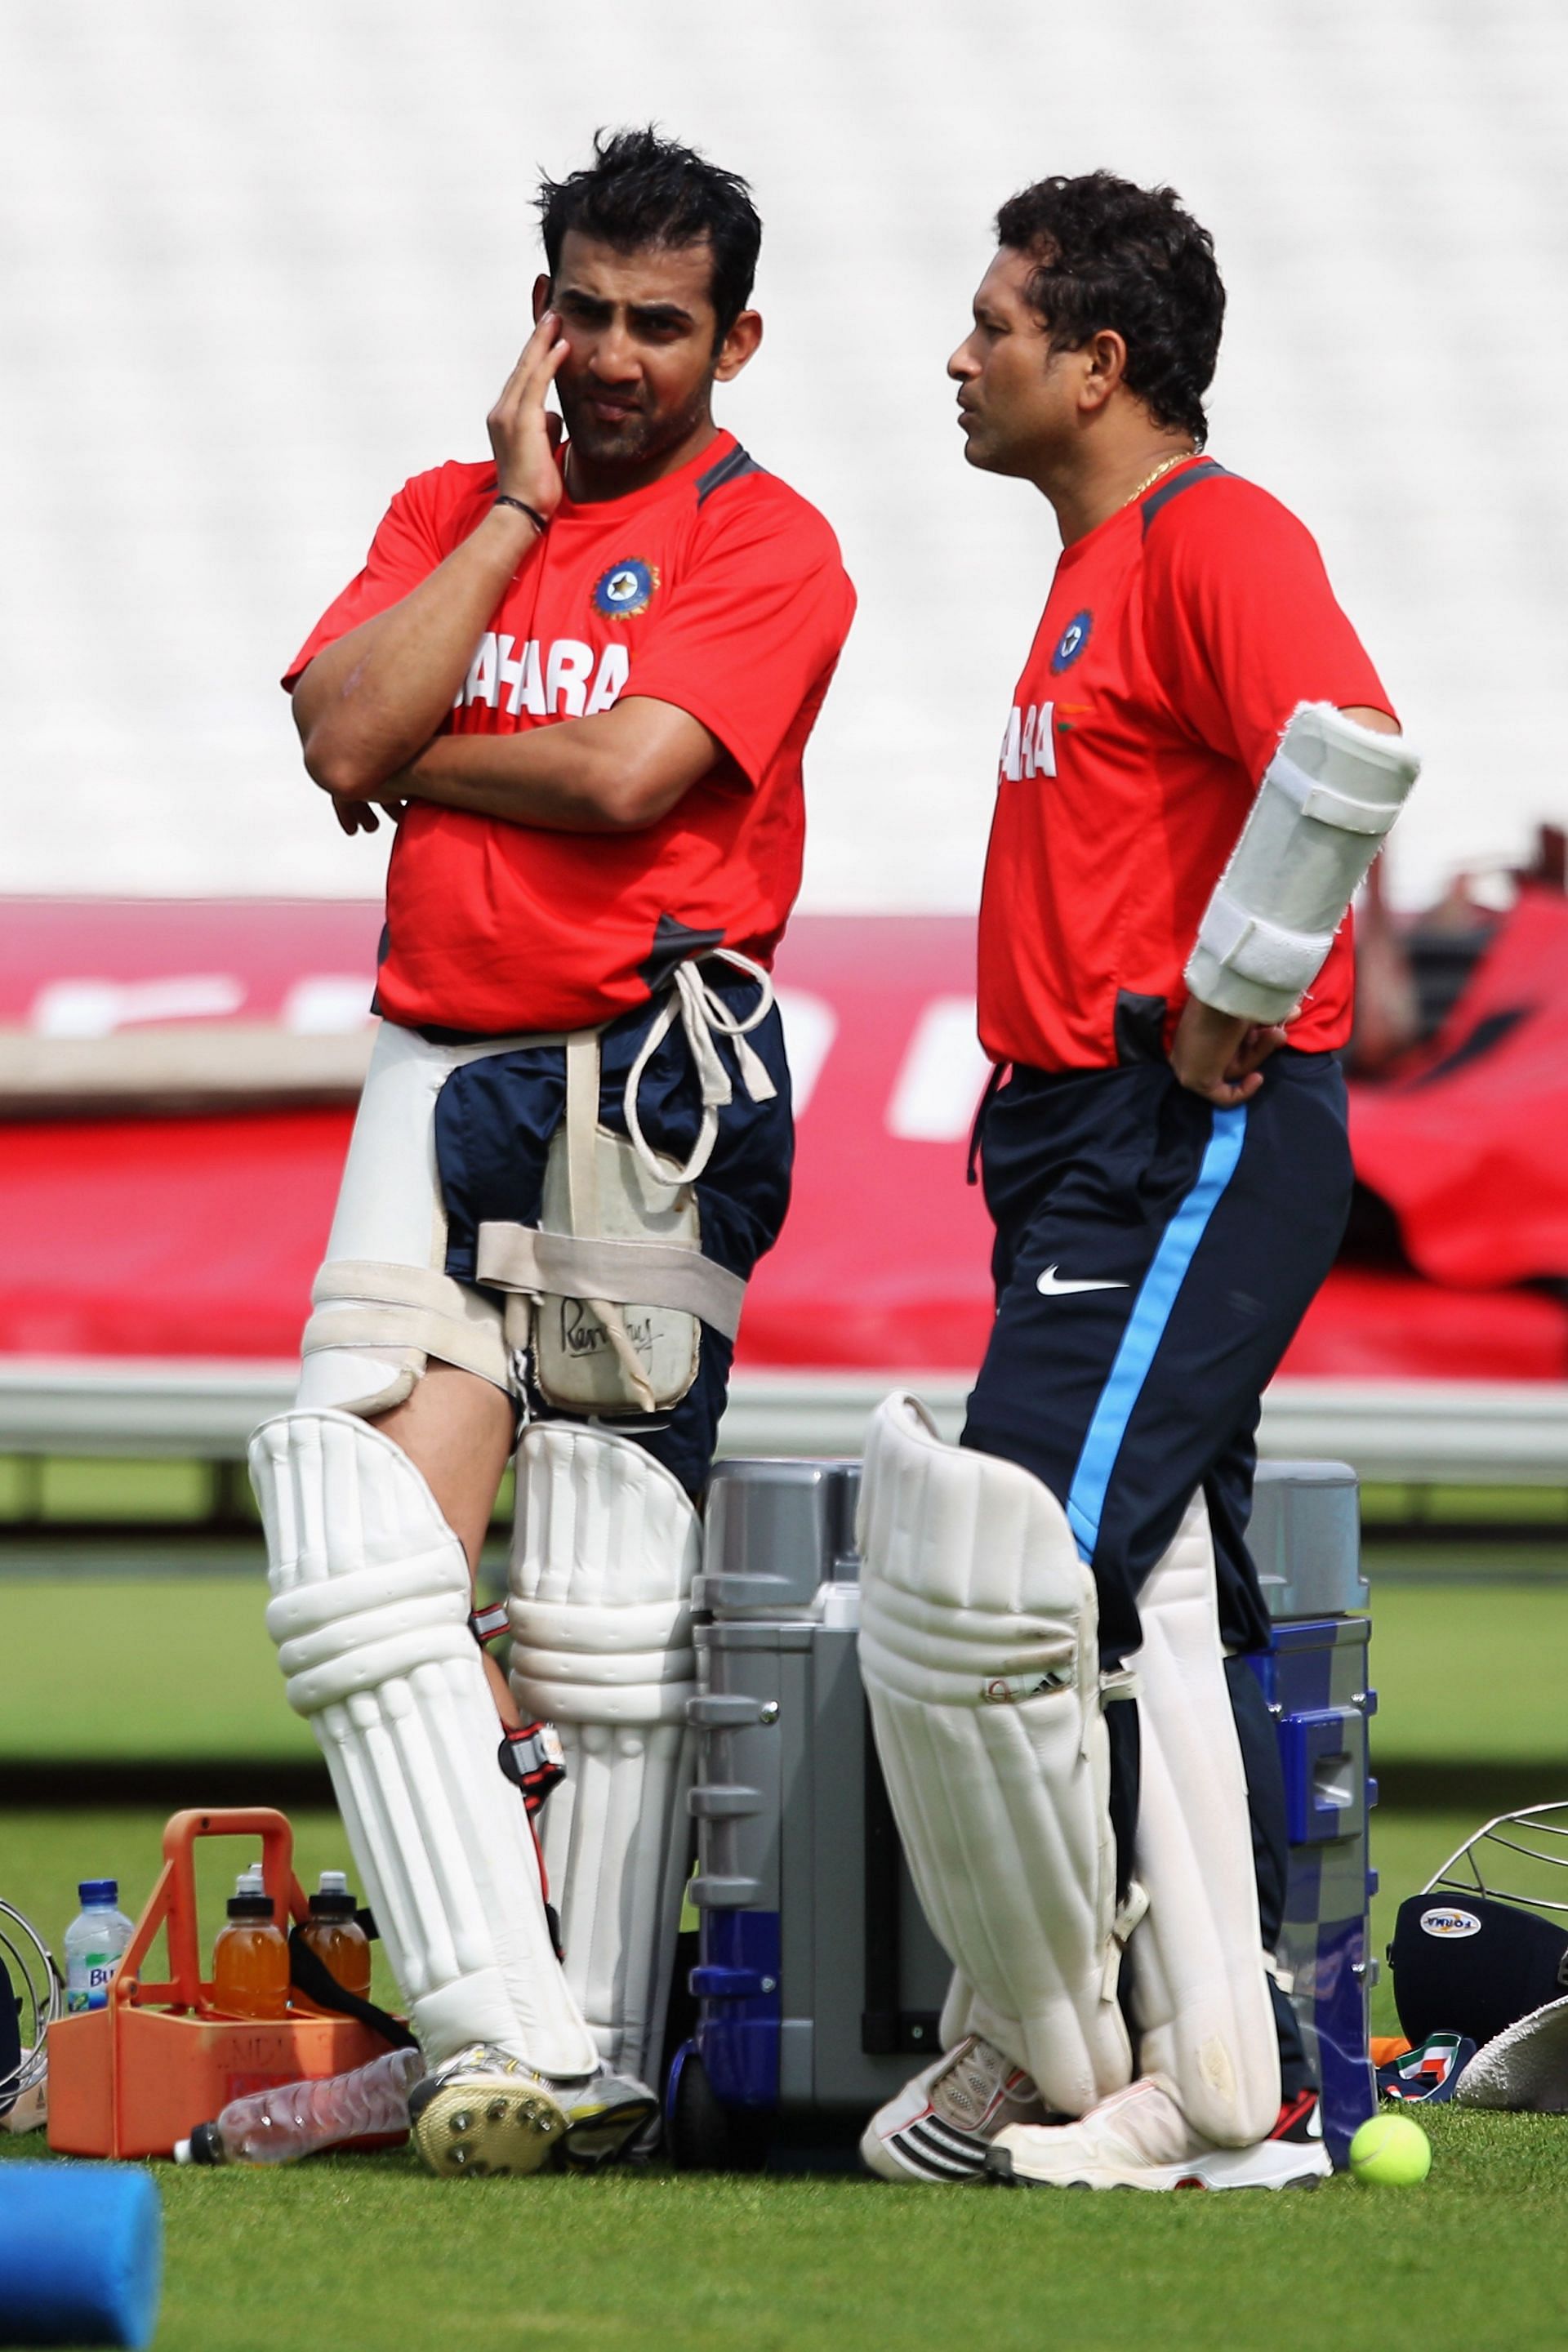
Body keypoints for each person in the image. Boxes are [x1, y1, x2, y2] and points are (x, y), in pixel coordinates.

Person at [247, 127, 854, 2180]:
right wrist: (512, 515)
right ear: (540, 310)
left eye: (656, 324)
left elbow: (625, 773)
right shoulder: (452, 504)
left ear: (734, 338)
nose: (609, 355)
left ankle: (560, 2051)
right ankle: (505, 2039)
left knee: (596, 1608)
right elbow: (337, 731)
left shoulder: (772, 542)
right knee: (367, 1561)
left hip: (638, 1081)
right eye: (579, 310)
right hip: (434, 1063)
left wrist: (417, 750)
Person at [855, 170, 1417, 2190]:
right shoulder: (1101, 560)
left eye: (994, 322)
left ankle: (1083, 2060)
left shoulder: (1215, 537)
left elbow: (1344, 752)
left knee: (1017, 1583)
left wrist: (1232, 1002)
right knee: (1167, 1596)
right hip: (1084, 1140)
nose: (958, 351)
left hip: (1175, 1133)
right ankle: (1240, 2068)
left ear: (1100, 365)